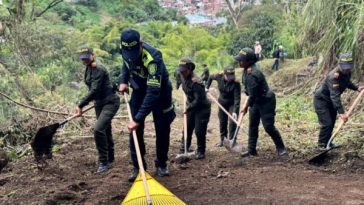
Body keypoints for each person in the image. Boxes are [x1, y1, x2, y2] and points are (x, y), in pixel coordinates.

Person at [118, 29, 176, 182]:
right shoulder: (124, 50)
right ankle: (138, 167)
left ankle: (162, 164)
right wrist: (123, 80)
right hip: (139, 89)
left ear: (141, 45)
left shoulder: (153, 57)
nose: (131, 56)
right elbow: (125, 64)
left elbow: (153, 92)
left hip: (159, 92)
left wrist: (138, 118)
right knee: (135, 131)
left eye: (134, 52)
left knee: (162, 128)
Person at [75, 46, 120, 173]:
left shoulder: (98, 68)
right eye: (81, 58)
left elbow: (94, 90)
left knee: (98, 129)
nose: (83, 60)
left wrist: (80, 105)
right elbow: (93, 90)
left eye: (85, 57)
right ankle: (110, 157)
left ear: (92, 55)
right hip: (99, 103)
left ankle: (103, 162)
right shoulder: (88, 67)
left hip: (110, 102)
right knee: (105, 129)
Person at [235, 47, 287, 157]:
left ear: (249, 61)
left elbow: (252, 95)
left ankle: (281, 148)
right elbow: (249, 91)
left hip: (266, 101)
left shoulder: (253, 74)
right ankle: (251, 149)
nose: (239, 62)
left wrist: (245, 107)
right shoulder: (246, 70)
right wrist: (248, 103)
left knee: (268, 126)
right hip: (256, 100)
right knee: (252, 125)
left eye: (241, 60)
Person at [314, 52, 363, 148]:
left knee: (331, 123)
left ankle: (328, 143)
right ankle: (321, 145)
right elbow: (335, 96)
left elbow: (347, 82)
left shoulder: (347, 72)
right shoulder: (333, 76)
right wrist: (341, 113)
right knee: (327, 124)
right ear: (339, 64)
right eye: (344, 66)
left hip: (331, 101)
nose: (346, 69)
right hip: (321, 100)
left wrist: (356, 88)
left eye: (348, 66)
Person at [177, 58, 211, 159]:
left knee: (199, 130)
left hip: (202, 108)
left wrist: (188, 107)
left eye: (184, 71)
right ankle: (184, 149)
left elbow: (199, 100)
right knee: (187, 127)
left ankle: (201, 151)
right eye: (181, 71)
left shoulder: (197, 82)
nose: (182, 73)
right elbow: (181, 84)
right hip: (191, 104)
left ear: (190, 69)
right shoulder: (181, 75)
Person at [206, 66, 241, 147]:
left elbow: (237, 99)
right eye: (228, 76)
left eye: (232, 76)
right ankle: (223, 140)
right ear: (224, 75)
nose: (230, 78)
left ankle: (232, 141)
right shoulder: (218, 76)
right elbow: (210, 76)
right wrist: (206, 87)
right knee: (222, 121)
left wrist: (235, 111)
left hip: (232, 103)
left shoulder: (236, 83)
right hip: (222, 102)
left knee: (232, 122)